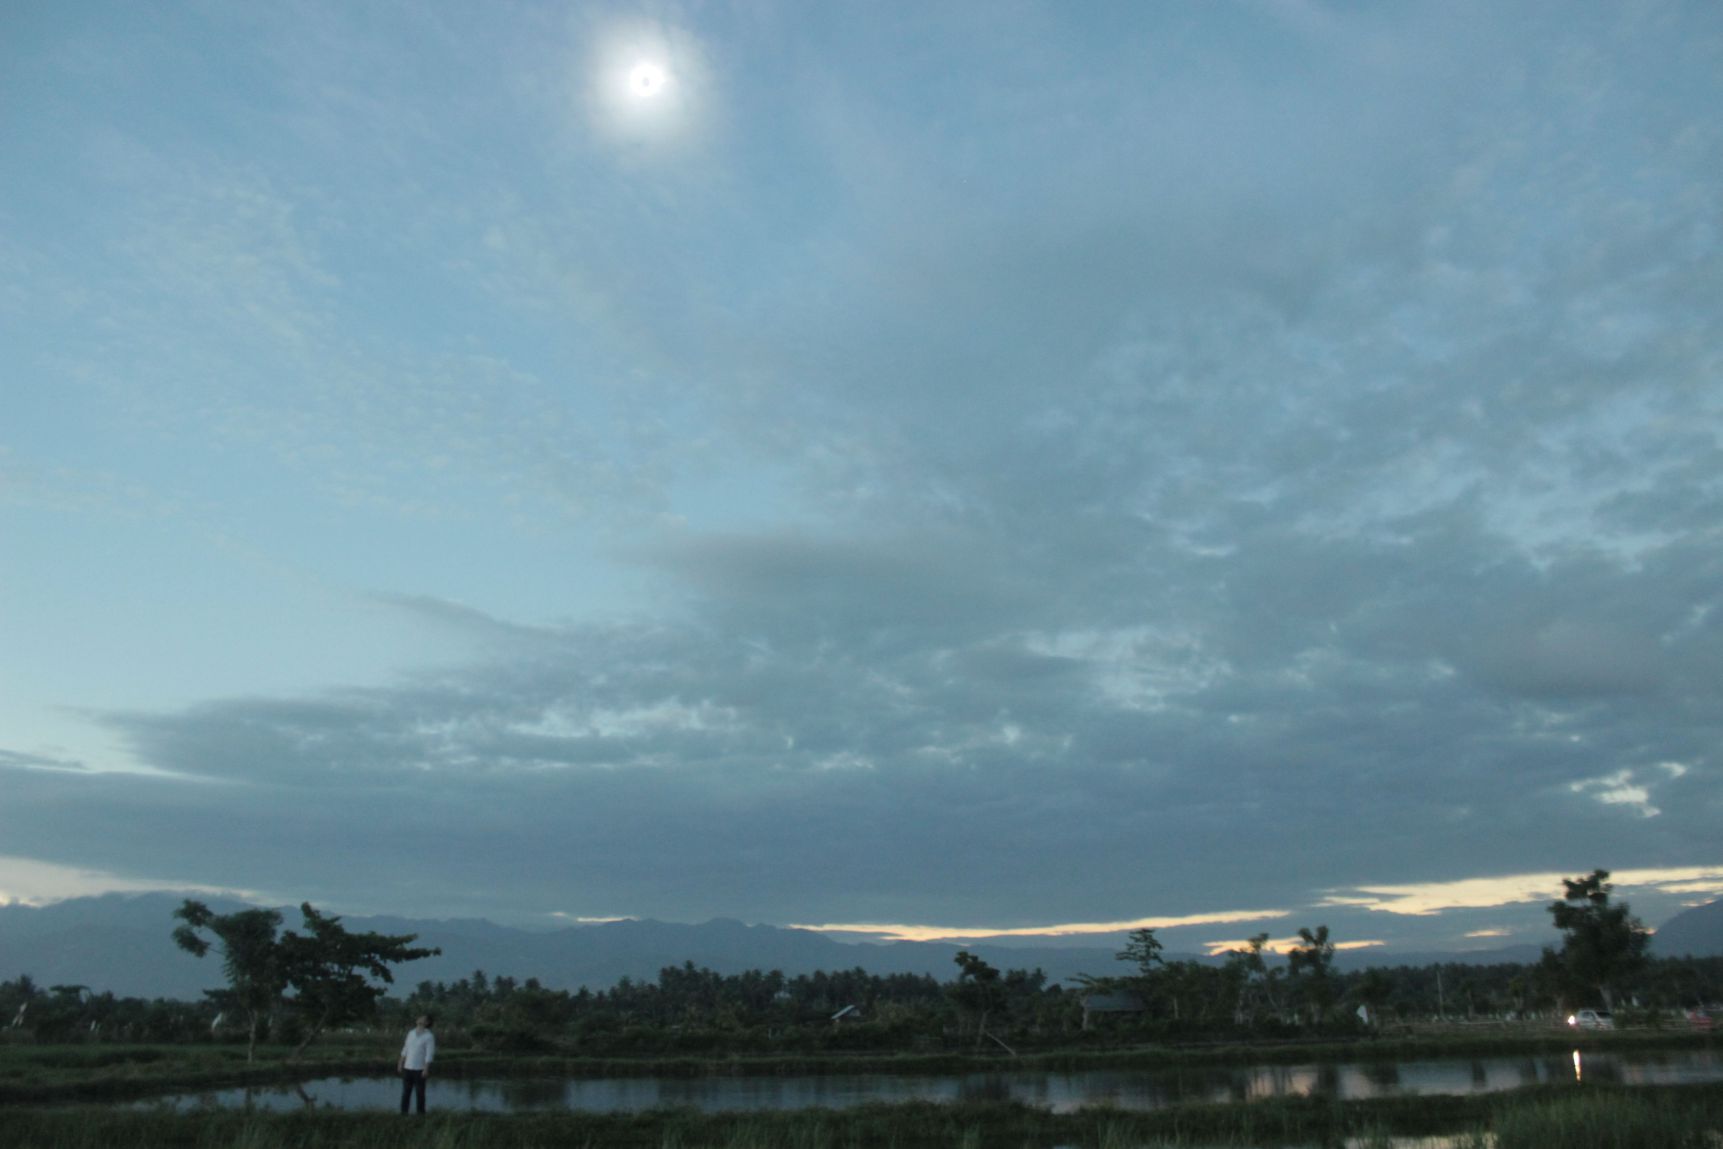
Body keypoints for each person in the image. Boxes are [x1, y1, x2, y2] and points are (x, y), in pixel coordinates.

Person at [398, 1013, 436, 1114]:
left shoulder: (429, 1036)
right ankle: (403, 1113)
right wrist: (400, 1062)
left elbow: (429, 1053)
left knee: (420, 1093)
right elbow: (405, 1048)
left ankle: (420, 1114)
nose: (419, 1019)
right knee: (406, 1092)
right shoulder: (411, 1033)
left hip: (420, 1069)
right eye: (419, 1017)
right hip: (408, 1067)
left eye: (422, 1018)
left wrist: (426, 1068)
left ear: (427, 1022)